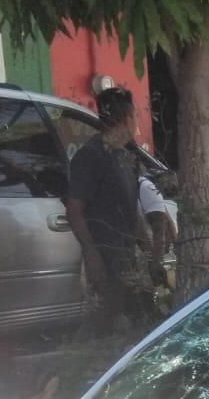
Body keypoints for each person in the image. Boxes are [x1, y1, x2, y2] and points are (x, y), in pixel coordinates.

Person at [65, 86, 152, 334]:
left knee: (140, 319)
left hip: (127, 255)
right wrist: (92, 254)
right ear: (127, 119)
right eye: (135, 115)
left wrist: (147, 248)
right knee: (104, 323)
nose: (137, 121)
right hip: (104, 256)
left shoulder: (127, 157)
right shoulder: (90, 156)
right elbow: (74, 209)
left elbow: (130, 206)